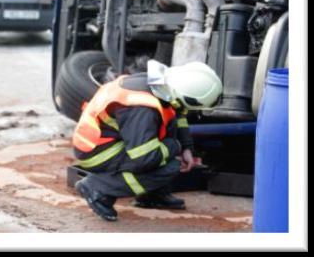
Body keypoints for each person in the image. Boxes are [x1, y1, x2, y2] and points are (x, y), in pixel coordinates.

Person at [73, 59, 223, 221]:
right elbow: (144, 158)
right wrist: (176, 146)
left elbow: (177, 115)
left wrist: (187, 147)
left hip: (113, 140)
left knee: (166, 142)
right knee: (170, 165)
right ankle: (98, 188)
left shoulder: (162, 86)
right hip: (98, 151)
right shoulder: (143, 108)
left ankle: (152, 196)